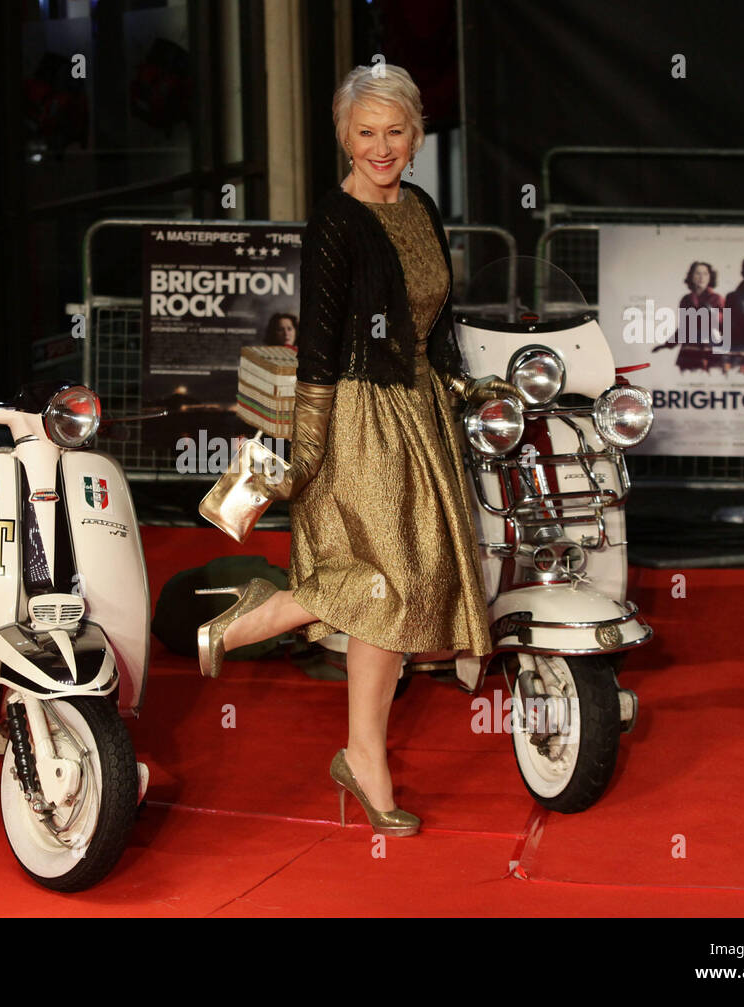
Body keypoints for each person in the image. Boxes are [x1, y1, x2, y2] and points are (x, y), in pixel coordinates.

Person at [196, 64, 522, 838]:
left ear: (415, 137)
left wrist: (462, 386)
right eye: (366, 132)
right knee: (391, 576)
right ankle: (257, 617)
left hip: (421, 413)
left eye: (396, 132)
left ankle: (361, 755)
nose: (382, 147)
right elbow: (316, 342)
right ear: (344, 136)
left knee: (390, 592)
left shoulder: (422, 207)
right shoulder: (335, 222)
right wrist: (308, 440)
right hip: (355, 415)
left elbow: (439, 320)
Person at [673, 261, 724, 371]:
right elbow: (683, 328)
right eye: (697, 273)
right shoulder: (685, 300)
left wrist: (713, 313)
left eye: (705, 274)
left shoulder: (717, 298)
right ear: (691, 276)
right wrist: (667, 344)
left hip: (711, 351)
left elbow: (726, 326)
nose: (702, 277)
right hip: (689, 351)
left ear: (710, 277)